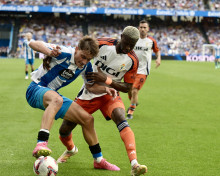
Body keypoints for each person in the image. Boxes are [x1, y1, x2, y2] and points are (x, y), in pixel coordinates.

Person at [56, 26, 147, 176]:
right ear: (121, 36)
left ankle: (134, 164)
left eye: (133, 45)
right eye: (127, 43)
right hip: (88, 93)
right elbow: (79, 51)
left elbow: (128, 88)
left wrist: (106, 80)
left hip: (109, 94)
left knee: (121, 118)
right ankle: (71, 149)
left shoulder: (132, 60)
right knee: (64, 130)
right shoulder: (102, 44)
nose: (129, 47)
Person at [26, 36, 120, 171]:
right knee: (56, 99)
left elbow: (90, 87)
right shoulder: (64, 53)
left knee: (87, 119)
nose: (84, 61)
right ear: (77, 49)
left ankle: (98, 160)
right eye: (82, 56)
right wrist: (48, 51)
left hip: (53, 96)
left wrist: (105, 88)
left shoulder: (86, 66)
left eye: (88, 59)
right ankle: (41, 143)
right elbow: (33, 43)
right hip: (35, 89)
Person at [127, 20, 161, 119]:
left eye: (144, 27)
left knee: (134, 90)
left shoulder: (151, 41)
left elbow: (157, 51)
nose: (142, 29)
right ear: (138, 28)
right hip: (131, 69)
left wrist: (158, 58)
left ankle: (130, 112)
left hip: (143, 71)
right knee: (129, 89)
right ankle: (134, 101)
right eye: (141, 27)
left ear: (148, 29)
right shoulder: (133, 39)